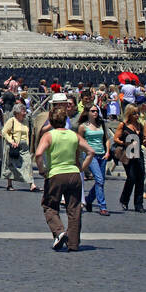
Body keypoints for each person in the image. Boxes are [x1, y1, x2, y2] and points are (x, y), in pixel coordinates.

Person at [34, 99, 96, 250]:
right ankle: (73, 243)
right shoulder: (73, 135)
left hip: (55, 174)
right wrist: (82, 168)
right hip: (74, 174)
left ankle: (59, 231)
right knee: (74, 209)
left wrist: (42, 170)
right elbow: (91, 152)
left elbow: (38, 154)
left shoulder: (49, 135)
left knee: (49, 205)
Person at [78, 108, 110, 215]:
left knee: (100, 181)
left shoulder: (101, 124)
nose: (95, 112)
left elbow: (106, 138)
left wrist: (107, 152)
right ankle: (103, 206)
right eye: (92, 111)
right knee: (99, 179)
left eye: (96, 111)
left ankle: (89, 200)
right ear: (88, 113)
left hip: (102, 154)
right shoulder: (83, 126)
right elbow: (80, 141)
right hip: (91, 155)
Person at [2, 102, 36, 191]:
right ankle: (9, 184)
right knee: (11, 165)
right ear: (17, 112)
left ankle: (32, 184)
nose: (25, 113)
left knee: (28, 163)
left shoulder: (25, 121)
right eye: (23, 111)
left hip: (24, 146)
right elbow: (4, 132)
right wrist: (11, 141)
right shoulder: (12, 120)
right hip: (14, 146)